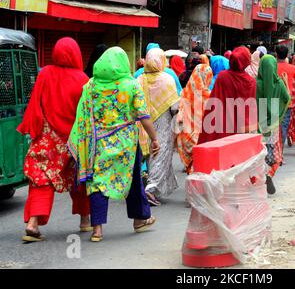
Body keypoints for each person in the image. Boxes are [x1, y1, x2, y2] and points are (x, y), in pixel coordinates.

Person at [68, 47, 160, 242]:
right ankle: (139, 219)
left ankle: (97, 230)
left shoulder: (91, 86)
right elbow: (143, 116)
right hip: (126, 144)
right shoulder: (131, 85)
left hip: (98, 144)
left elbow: (84, 115)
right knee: (133, 179)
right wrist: (154, 138)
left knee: (98, 183)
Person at [17, 37, 91, 242]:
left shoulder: (45, 73)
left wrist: (33, 129)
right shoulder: (83, 79)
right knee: (80, 179)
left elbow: (35, 104)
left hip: (47, 138)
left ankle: (33, 223)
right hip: (73, 140)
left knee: (41, 179)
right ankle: (85, 220)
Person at [137, 48, 180, 206]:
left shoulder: (139, 79)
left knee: (148, 153)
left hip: (142, 122)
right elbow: (175, 106)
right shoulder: (167, 79)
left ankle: (146, 185)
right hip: (163, 122)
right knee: (159, 154)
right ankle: (151, 188)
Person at [198, 46, 257, 144]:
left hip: (221, 126)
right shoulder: (251, 82)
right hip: (241, 128)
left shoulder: (222, 76)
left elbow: (214, 102)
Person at [256, 55, 291, 195]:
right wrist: (286, 84)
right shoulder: (279, 83)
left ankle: (259, 177)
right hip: (274, 120)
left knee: (259, 153)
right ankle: (269, 173)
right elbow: (287, 98)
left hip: (259, 121)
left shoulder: (256, 83)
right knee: (274, 153)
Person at [176, 64, 214, 174]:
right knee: (203, 168)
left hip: (187, 137)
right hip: (203, 137)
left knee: (192, 166)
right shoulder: (210, 96)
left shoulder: (184, 93)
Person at [275, 45, 295, 148]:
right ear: (287, 55)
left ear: (276, 54)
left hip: (272, 100)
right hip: (287, 103)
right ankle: (279, 152)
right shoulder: (293, 68)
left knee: (271, 127)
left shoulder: (271, 67)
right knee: (283, 127)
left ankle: (271, 152)